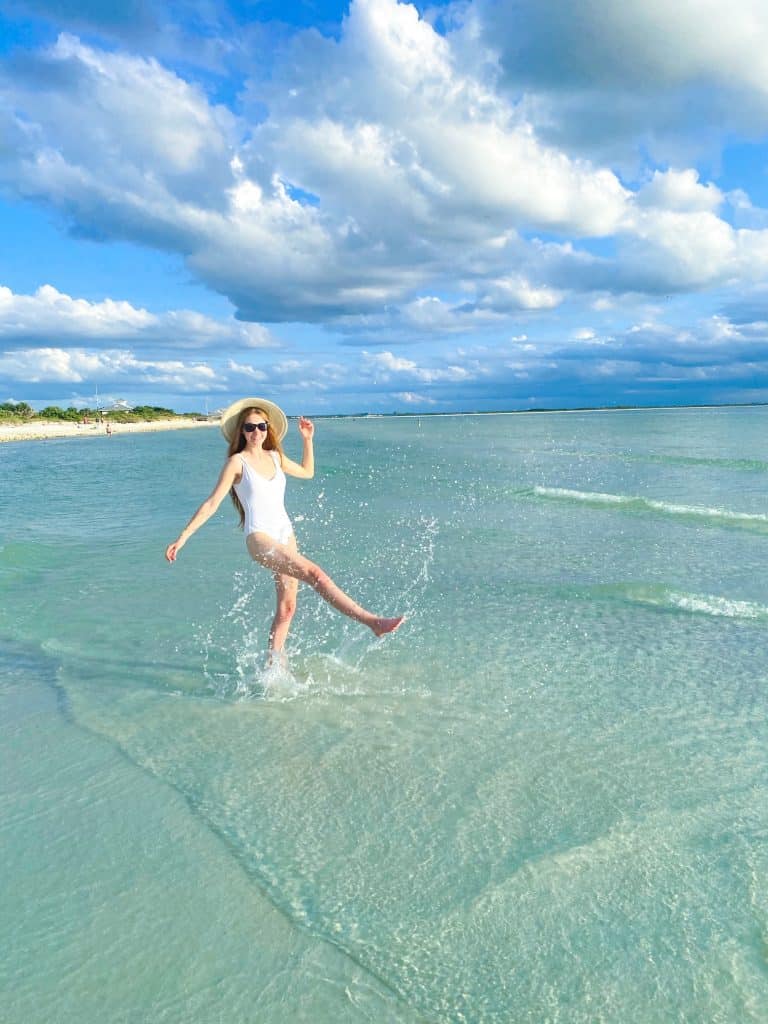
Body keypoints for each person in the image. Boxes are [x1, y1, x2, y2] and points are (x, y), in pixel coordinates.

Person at [165, 397, 404, 658]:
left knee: (288, 607)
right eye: (249, 427)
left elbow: (307, 472)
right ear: (240, 432)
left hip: (284, 533)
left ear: (268, 429)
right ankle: (372, 622)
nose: (256, 432)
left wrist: (307, 439)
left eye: (261, 426)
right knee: (316, 574)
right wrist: (183, 537)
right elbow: (212, 503)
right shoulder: (237, 462)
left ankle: (274, 667)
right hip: (260, 537)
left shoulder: (276, 457)